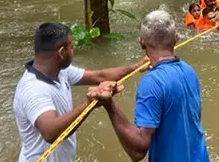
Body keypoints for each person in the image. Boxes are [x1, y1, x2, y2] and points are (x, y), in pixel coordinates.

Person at [12, 22, 148, 162]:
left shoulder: (60, 72)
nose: (73, 51)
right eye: (72, 47)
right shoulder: (34, 89)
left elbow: (99, 76)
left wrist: (136, 66)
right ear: (61, 52)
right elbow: (51, 132)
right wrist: (90, 103)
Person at [87, 10, 210, 162]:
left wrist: (109, 104)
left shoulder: (151, 82)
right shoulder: (189, 70)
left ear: (141, 42)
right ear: (176, 38)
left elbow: (137, 150)